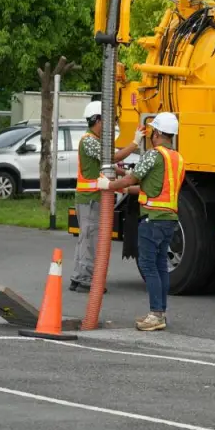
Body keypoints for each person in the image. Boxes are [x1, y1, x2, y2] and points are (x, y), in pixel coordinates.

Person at [97, 112, 185, 331]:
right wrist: (127, 188)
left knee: (148, 266)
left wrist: (109, 185)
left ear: (156, 133)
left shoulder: (154, 155)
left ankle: (155, 315)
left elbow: (132, 177)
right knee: (160, 267)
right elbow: (153, 187)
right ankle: (160, 312)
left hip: (152, 219)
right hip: (169, 219)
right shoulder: (177, 158)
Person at [69, 100, 144, 293]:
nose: (110, 125)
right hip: (90, 198)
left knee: (86, 238)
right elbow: (113, 158)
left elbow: (109, 166)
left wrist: (126, 176)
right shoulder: (89, 141)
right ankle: (85, 279)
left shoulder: (93, 141)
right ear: (98, 120)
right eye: (107, 120)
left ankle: (79, 277)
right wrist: (135, 142)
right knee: (91, 238)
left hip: (91, 198)